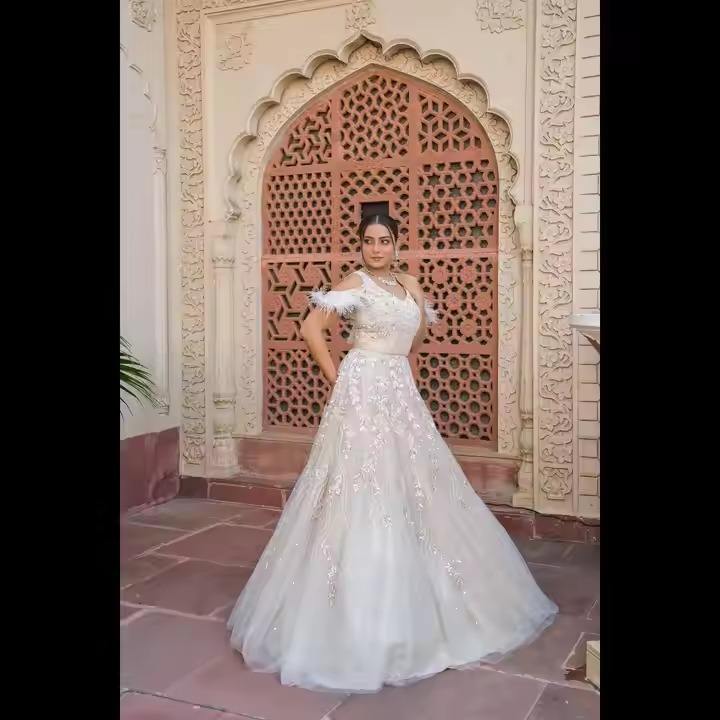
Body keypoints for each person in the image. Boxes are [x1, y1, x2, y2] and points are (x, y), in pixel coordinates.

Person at [227, 211, 558, 694]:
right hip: (361, 387)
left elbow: (415, 336)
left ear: (397, 243)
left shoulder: (411, 285)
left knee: (419, 485)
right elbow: (311, 330)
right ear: (361, 245)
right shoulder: (354, 282)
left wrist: (398, 372)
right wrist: (339, 379)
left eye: (384, 239)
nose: (376, 247)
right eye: (369, 240)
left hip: (399, 387)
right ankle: (354, 609)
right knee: (364, 484)